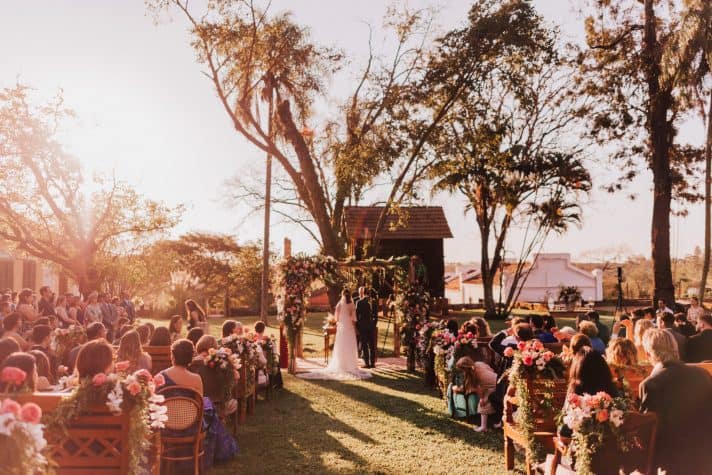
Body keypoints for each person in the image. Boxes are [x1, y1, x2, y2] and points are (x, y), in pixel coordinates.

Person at [639, 329, 712, 473]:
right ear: (675, 348)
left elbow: (649, 431)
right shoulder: (702, 374)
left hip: (671, 462)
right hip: (704, 457)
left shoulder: (650, 384)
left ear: (648, 354)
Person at [300, 289, 371, 380]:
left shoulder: (339, 304)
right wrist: (354, 328)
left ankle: (341, 364)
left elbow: (336, 318)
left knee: (341, 346)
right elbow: (354, 319)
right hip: (349, 329)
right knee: (350, 346)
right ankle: (350, 365)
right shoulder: (352, 305)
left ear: (342, 295)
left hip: (341, 329)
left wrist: (339, 322)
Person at [447, 356, 497, 432]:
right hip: (497, 380)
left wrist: (482, 399)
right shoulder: (478, 363)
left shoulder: (475, 375)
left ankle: (483, 427)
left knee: (483, 405)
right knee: (488, 402)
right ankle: (498, 422)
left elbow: (476, 389)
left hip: (494, 386)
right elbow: (491, 369)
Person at [356, 287, 376, 368]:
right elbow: (376, 316)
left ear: (363, 293)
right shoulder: (373, 302)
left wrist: (358, 326)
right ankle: (373, 363)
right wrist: (373, 325)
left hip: (363, 326)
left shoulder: (359, 302)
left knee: (364, 345)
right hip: (371, 326)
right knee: (371, 345)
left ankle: (367, 363)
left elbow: (357, 315)